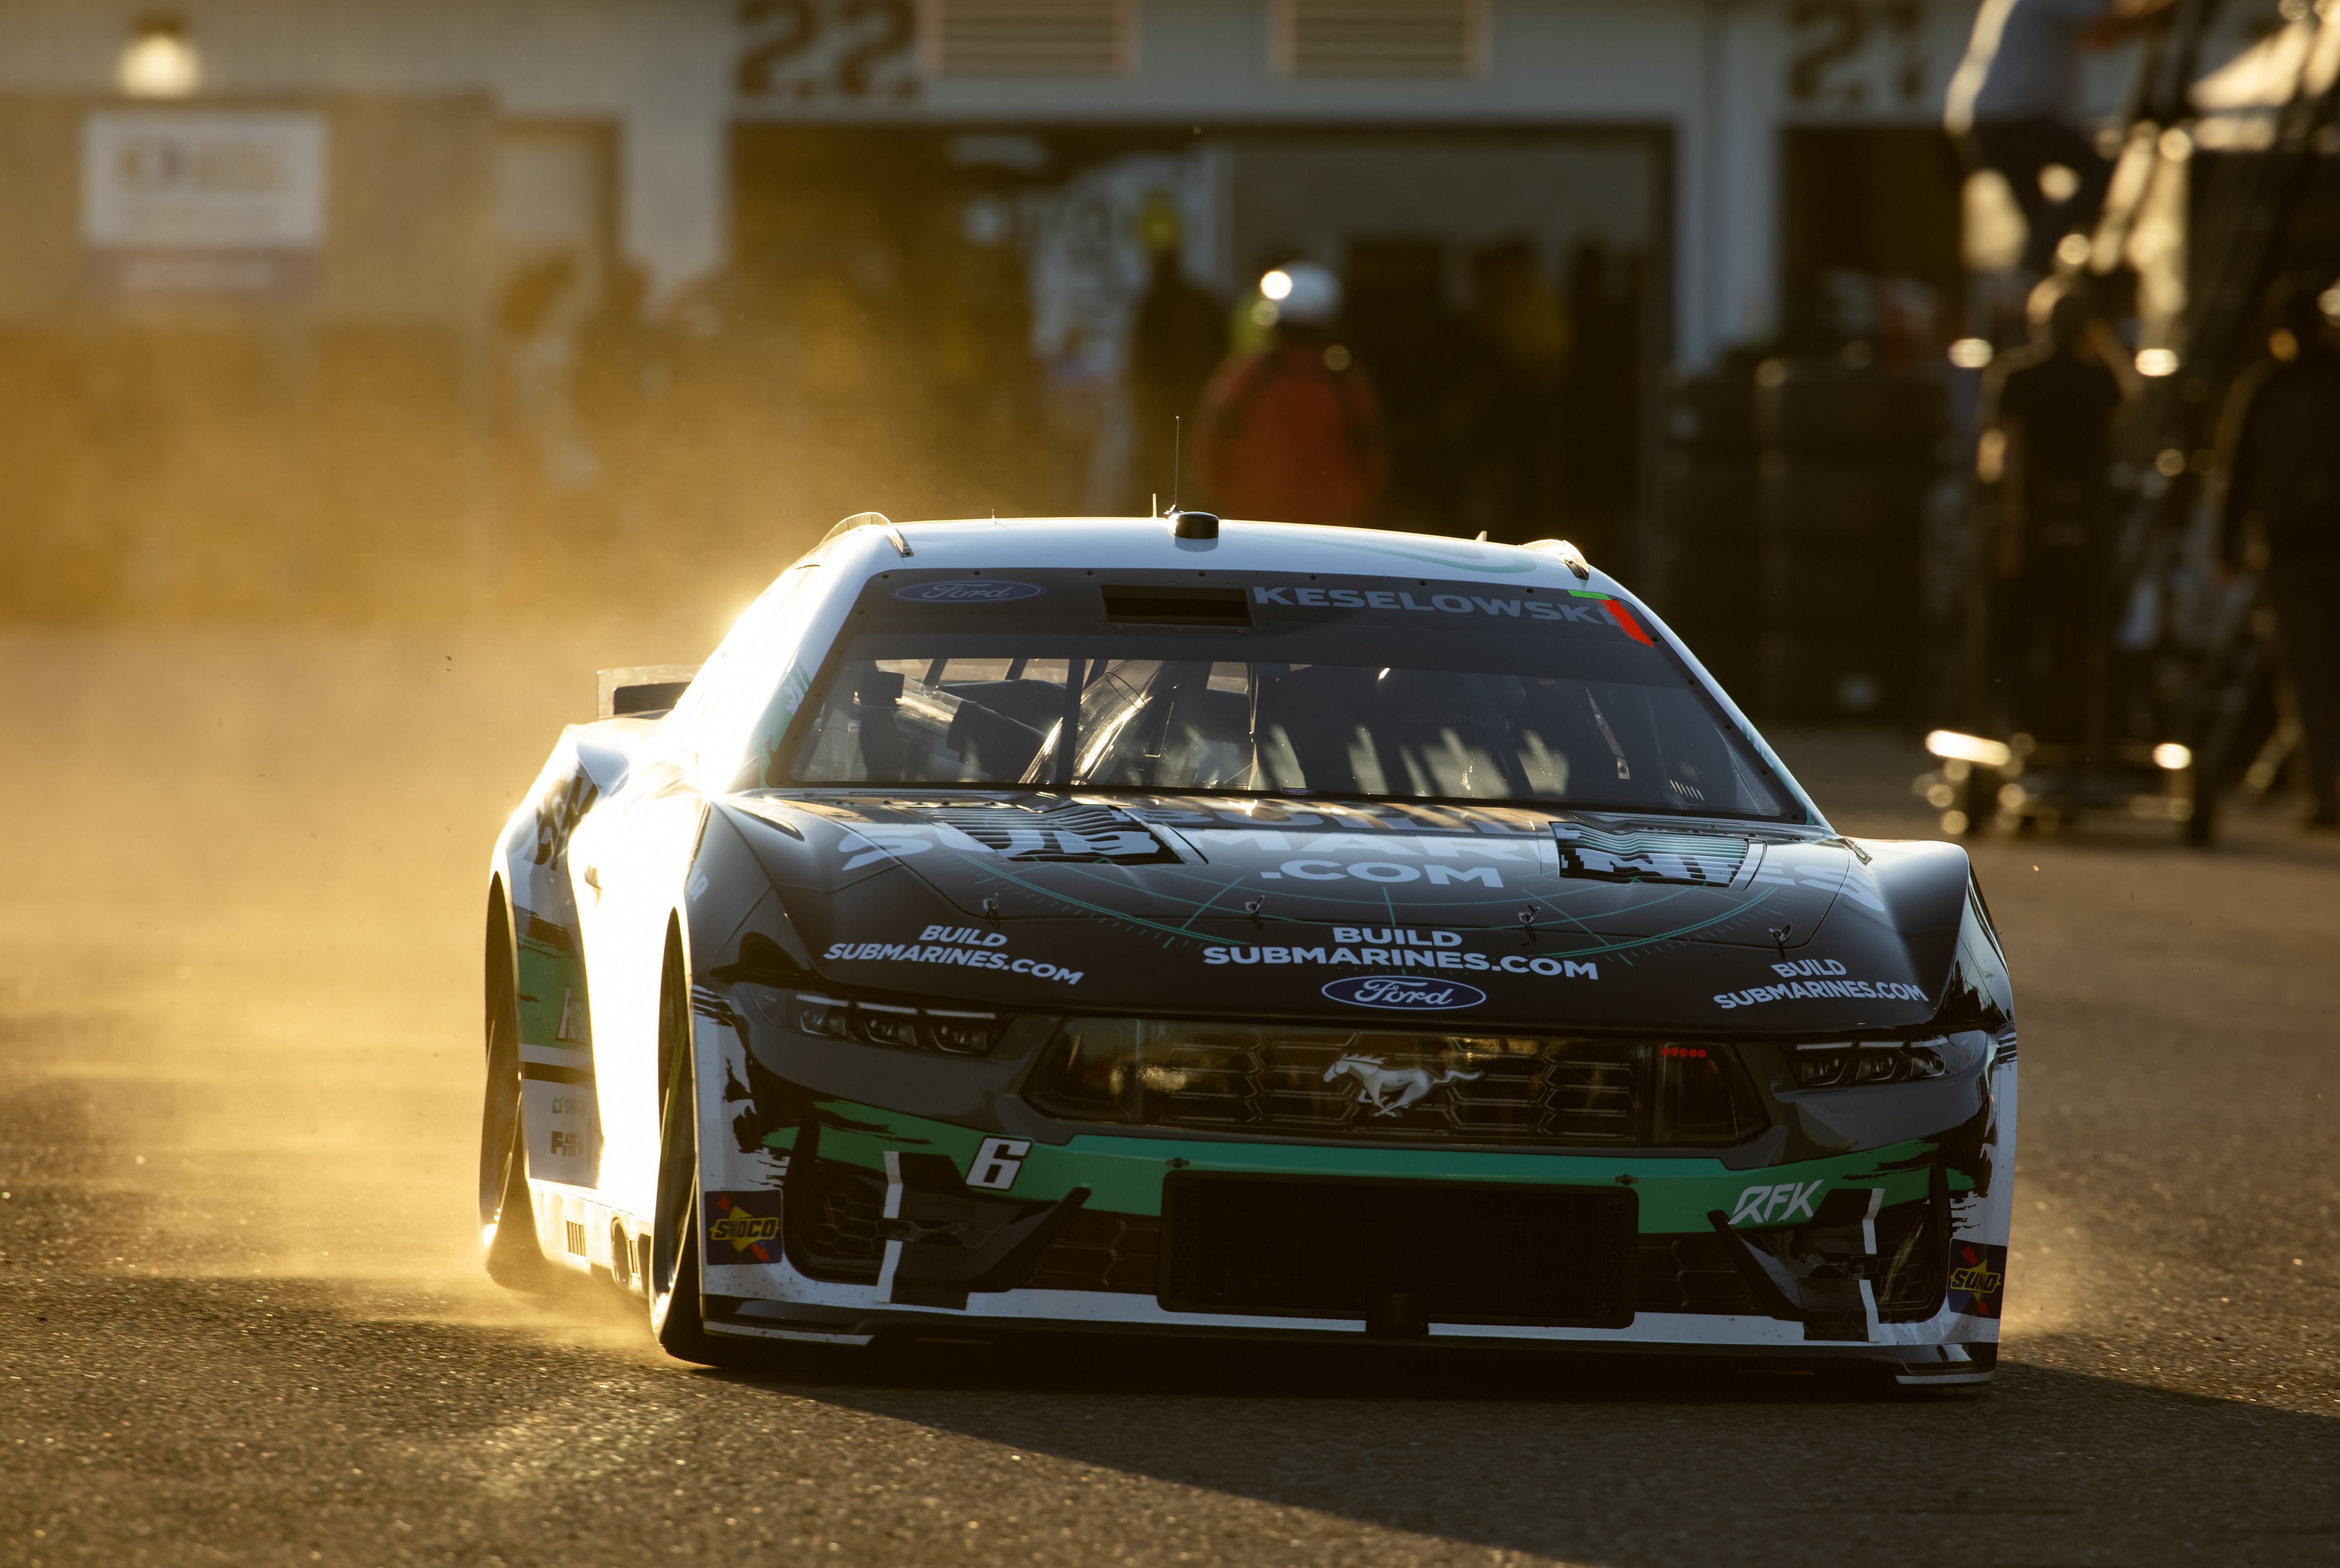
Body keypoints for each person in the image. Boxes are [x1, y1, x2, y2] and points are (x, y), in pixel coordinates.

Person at [1979, 282, 2129, 750]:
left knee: (2017, 631)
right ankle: (2071, 732)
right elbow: (2131, 392)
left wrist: (2011, 525)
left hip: (2030, 521)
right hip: (2087, 521)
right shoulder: (2100, 380)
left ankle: (2023, 729)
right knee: (2077, 632)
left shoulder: (2018, 376)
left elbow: (2013, 453)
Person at [2218, 282, 2340, 825]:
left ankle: (2320, 793)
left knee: (2305, 675)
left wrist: (2225, 545)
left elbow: (2235, 472)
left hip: (2285, 549)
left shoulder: (2264, 387)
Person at [1945, 0, 2178, 275]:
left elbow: (2102, 39)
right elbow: (2105, 31)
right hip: (2016, 116)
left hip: (1987, 118)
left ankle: (2038, 277)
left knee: (2039, 222)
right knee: (2099, 172)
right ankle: (2048, 265)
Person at [1193, 262, 1387, 527]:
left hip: (1253, 529)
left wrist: (1220, 502)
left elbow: (1210, 446)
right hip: (1331, 533)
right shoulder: (1346, 382)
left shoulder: (1247, 376)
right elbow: (1371, 461)